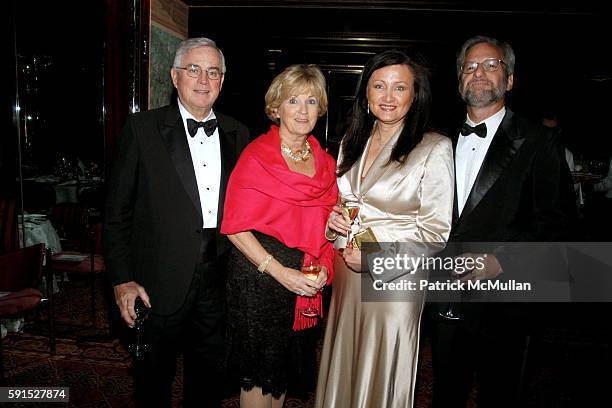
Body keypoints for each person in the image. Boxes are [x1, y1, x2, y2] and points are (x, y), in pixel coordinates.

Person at [428, 35, 576, 408]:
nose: (479, 73)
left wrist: (502, 259)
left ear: (509, 80)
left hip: (505, 295)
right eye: (470, 67)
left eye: (491, 65)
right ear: (459, 80)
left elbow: (558, 219)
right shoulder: (435, 138)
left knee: (500, 392)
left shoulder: (539, 140)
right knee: (446, 391)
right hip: (444, 289)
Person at [103, 37, 249, 407]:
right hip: (155, 284)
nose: (203, 80)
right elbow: (116, 214)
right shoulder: (142, 129)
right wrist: (122, 279)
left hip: (218, 284)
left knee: (208, 383)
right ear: (175, 76)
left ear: (222, 80)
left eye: (212, 72)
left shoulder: (239, 133)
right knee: (152, 381)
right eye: (193, 69)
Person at [315, 50, 454, 407]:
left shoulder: (434, 147)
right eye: (379, 86)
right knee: (346, 361)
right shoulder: (352, 140)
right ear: (366, 93)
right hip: (347, 271)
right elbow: (345, 200)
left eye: (399, 87)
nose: (388, 97)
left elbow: (435, 233)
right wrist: (333, 221)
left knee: (382, 370)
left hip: (394, 279)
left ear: (415, 94)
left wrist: (375, 259)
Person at [220, 64, 338, 408]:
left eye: (312, 101)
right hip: (261, 279)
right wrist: (278, 271)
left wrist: (326, 268)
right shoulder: (257, 157)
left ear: (321, 108)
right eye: (294, 100)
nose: (303, 110)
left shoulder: (327, 164)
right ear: (277, 107)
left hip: (304, 280)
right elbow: (234, 227)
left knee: (281, 375)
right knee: (258, 377)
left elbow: (329, 226)